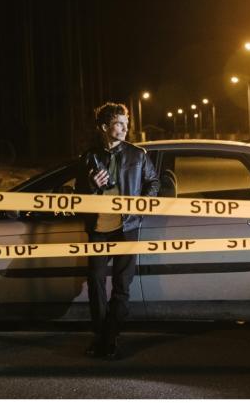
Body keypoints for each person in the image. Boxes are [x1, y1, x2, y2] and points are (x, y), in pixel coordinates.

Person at [75, 102, 159, 359]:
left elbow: (153, 182)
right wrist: (91, 185)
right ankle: (101, 335)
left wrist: (140, 207)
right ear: (104, 127)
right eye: (119, 124)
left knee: (122, 286)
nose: (125, 129)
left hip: (127, 227)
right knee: (96, 283)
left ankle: (108, 339)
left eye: (126, 124)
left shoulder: (138, 155)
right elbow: (78, 195)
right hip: (99, 228)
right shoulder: (89, 157)